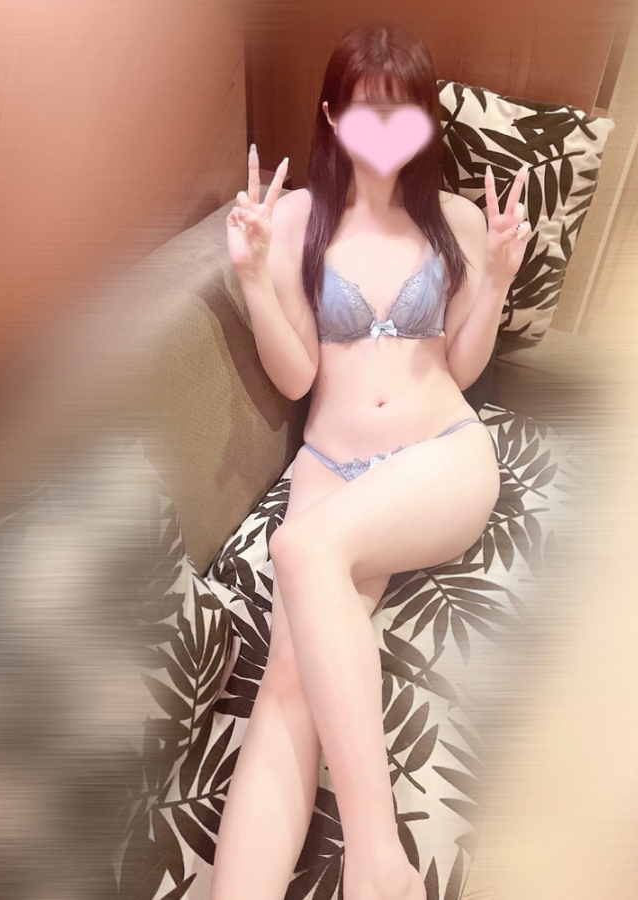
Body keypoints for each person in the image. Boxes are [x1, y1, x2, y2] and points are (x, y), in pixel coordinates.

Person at [216, 22, 529, 900]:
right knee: (288, 683)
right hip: (333, 466)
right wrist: (252, 279)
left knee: (302, 547)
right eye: (367, 110)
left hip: (439, 457)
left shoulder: (455, 220)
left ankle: (375, 857)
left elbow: (461, 368)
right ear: (331, 115)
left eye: (405, 112)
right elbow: (297, 376)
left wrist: (497, 278)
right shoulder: (293, 220)